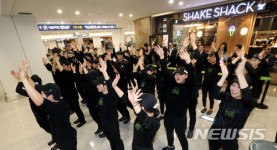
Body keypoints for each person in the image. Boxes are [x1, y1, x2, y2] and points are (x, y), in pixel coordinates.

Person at [17, 61, 77, 150]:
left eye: (43, 93)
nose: (41, 94)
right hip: (60, 138)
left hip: (67, 140)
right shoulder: (55, 101)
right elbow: (35, 87)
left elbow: (39, 102)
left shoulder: (59, 107)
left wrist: (24, 81)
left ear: (51, 96)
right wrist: (26, 75)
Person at [154, 40, 196, 150]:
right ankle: (170, 146)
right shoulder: (171, 82)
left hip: (180, 118)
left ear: (185, 76)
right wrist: (162, 57)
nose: (178, 76)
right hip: (168, 115)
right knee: (169, 132)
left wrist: (188, 62)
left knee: (181, 136)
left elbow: (193, 78)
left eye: (181, 74)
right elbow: (164, 71)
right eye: (176, 73)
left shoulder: (188, 86)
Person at [208, 56, 256, 150]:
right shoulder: (227, 96)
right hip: (214, 131)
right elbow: (214, 94)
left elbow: (247, 96)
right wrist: (224, 76)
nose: (234, 89)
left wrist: (240, 74)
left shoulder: (248, 103)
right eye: (233, 85)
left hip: (230, 137)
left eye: (239, 87)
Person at [112, 74, 161, 150]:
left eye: (138, 104)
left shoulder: (155, 123)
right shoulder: (141, 110)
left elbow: (145, 120)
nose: (136, 106)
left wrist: (135, 104)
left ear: (143, 107)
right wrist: (115, 86)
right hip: (135, 145)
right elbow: (125, 99)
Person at [11, 72, 54, 146]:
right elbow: (18, 90)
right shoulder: (31, 92)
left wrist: (21, 80)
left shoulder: (44, 89)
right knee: (44, 125)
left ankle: (58, 140)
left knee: (52, 126)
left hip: (47, 113)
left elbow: (18, 90)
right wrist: (21, 80)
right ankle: (55, 137)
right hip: (39, 115)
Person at [95, 58, 124, 150]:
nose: (96, 86)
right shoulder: (100, 94)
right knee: (111, 140)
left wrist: (104, 72)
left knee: (117, 140)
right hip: (104, 123)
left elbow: (110, 86)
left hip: (112, 123)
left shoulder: (112, 96)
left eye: (98, 85)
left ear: (105, 86)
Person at [52, 54, 86, 127]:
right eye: (62, 66)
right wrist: (55, 61)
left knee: (77, 107)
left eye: (64, 66)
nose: (63, 67)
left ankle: (82, 120)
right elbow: (53, 70)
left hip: (72, 93)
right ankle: (79, 118)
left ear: (69, 66)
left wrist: (57, 60)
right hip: (66, 94)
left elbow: (61, 69)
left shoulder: (70, 72)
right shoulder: (62, 73)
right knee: (73, 107)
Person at [201, 45, 221, 115]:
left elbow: (218, 58)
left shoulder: (218, 65)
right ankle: (204, 107)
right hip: (205, 83)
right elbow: (204, 58)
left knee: (211, 97)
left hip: (213, 84)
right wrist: (209, 51)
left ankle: (211, 108)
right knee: (204, 96)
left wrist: (214, 48)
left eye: (214, 57)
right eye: (211, 57)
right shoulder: (207, 64)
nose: (212, 58)